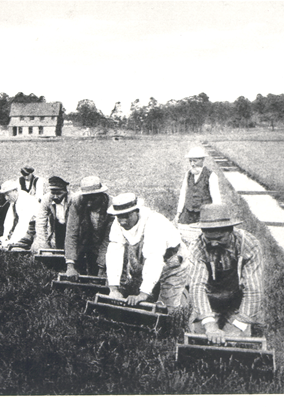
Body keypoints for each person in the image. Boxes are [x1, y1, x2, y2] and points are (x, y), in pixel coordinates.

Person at [188, 204, 264, 343]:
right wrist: (210, 325)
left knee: (236, 341)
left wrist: (237, 326)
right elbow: (197, 287)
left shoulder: (249, 245)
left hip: (238, 302)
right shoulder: (196, 247)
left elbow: (253, 291)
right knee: (200, 338)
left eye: (220, 238)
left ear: (230, 230)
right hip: (210, 301)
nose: (214, 244)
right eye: (209, 239)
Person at [105, 193, 189, 311]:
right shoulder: (117, 222)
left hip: (172, 261)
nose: (122, 221)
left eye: (126, 216)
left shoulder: (153, 223)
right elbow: (114, 252)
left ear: (136, 211)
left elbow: (154, 259)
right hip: (145, 260)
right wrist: (113, 289)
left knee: (165, 309)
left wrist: (143, 294)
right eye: (119, 216)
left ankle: (184, 302)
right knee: (144, 305)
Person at [64, 176, 113, 278]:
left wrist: (101, 267)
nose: (89, 203)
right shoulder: (76, 202)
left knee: (100, 274)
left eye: (93, 198)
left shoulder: (111, 207)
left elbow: (108, 239)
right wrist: (70, 266)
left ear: (101, 195)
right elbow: (71, 233)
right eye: (86, 198)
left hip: (104, 244)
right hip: (85, 240)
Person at [175, 146, 221, 225]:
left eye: (195, 161)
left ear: (202, 160)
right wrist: (178, 213)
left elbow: (216, 199)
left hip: (204, 214)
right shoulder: (188, 174)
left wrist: (216, 217)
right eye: (190, 161)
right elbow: (183, 194)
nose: (192, 164)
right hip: (188, 213)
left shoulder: (211, 176)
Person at [32, 176, 72, 253]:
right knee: (37, 246)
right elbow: (41, 221)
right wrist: (44, 245)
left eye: (59, 193)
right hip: (55, 229)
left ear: (65, 191)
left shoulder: (72, 199)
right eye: (53, 193)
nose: (55, 196)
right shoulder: (47, 199)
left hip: (69, 229)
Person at [0, 181, 40, 249]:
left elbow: (23, 224)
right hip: (27, 226)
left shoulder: (24, 200)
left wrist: (12, 241)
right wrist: (5, 237)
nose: (6, 198)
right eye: (4, 195)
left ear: (15, 191)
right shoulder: (14, 200)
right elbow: (9, 220)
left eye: (8, 195)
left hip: (35, 226)